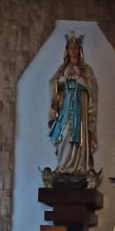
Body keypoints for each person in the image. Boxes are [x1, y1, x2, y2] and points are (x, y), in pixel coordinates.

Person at [47, 32, 100, 186]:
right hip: (66, 109)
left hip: (80, 109)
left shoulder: (86, 70)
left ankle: (79, 168)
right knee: (65, 133)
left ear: (80, 50)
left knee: (78, 135)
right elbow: (53, 83)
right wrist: (63, 80)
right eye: (70, 47)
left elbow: (92, 88)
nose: (73, 50)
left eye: (76, 47)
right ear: (67, 50)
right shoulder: (62, 69)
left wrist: (80, 81)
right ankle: (63, 166)